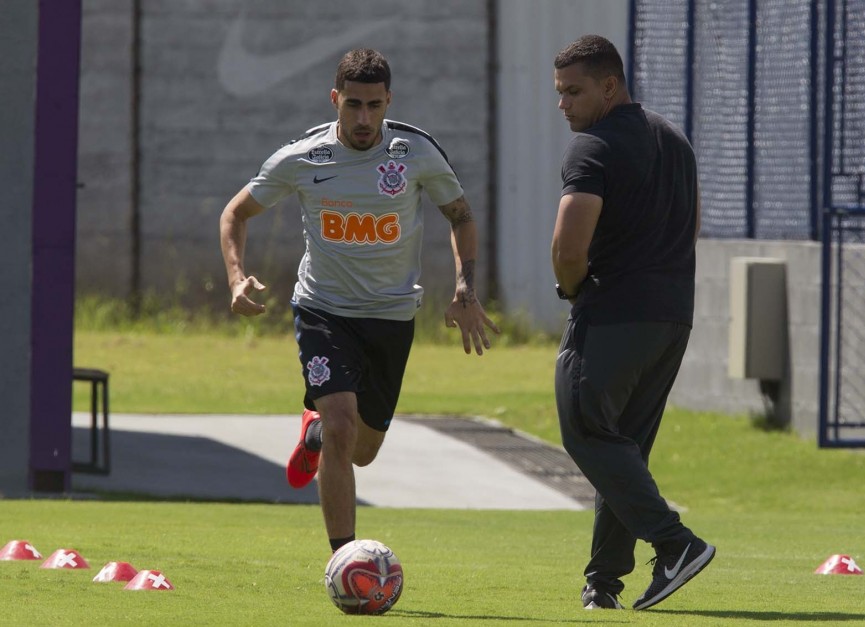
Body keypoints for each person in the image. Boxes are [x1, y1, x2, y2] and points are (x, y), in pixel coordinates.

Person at [219, 48, 499, 554]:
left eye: (375, 105)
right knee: (343, 427)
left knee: (362, 451)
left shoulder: (415, 152)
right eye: (353, 105)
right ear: (335, 100)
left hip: (391, 317)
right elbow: (235, 213)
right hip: (323, 311)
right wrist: (237, 278)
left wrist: (465, 288)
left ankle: (316, 434)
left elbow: (460, 215)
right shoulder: (303, 157)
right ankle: (344, 563)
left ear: (389, 100)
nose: (365, 118)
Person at [550, 35, 714, 611]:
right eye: (560, 93)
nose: (565, 104)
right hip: (672, 316)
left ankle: (675, 543)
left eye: (575, 91)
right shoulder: (673, 139)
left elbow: (569, 246)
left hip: (613, 312)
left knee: (585, 429)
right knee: (622, 449)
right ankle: (604, 584)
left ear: (609, 86)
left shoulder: (591, 148)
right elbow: (692, 225)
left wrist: (570, 287)